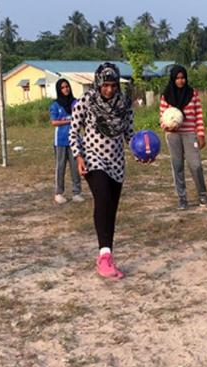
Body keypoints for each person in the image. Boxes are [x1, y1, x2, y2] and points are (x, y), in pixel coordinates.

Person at [69, 63, 134, 279]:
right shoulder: (86, 101)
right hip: (92, 159)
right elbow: (73, 130)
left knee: (111, 210)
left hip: (116, 162)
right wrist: (78, 156)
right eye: (105, 85)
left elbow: (129, 133)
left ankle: (107, 256)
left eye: (113, 85)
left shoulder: (124, 103)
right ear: (98, 83)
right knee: (103, 199)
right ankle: (104, 254)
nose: (109, 89)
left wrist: (140, 151)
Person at [159, 65, 207, 210]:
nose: (180, 81)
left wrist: (201, 134)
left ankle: (202, 196)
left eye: (183, 77)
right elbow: (162, 118)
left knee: (195, 165)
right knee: (177, 166)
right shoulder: (166, 95)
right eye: (177, 78)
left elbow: (199, 115)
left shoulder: (192, 94)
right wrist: (168, 127)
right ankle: (182, 199)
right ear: (173, 79)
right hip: (173, 135)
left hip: (190, 134)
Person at [49, 78, 83, 204]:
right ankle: (59, 193)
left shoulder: (75, 103)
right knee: (60, 167)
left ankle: (77, 192)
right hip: (61, 141)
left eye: (67, 86)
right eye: (62, 87)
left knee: (75, 167)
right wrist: (69, 120)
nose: (65, 89)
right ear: (59, 89)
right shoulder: (55, 105)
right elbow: (54, 122)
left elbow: (81, 117)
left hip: (74, 140)